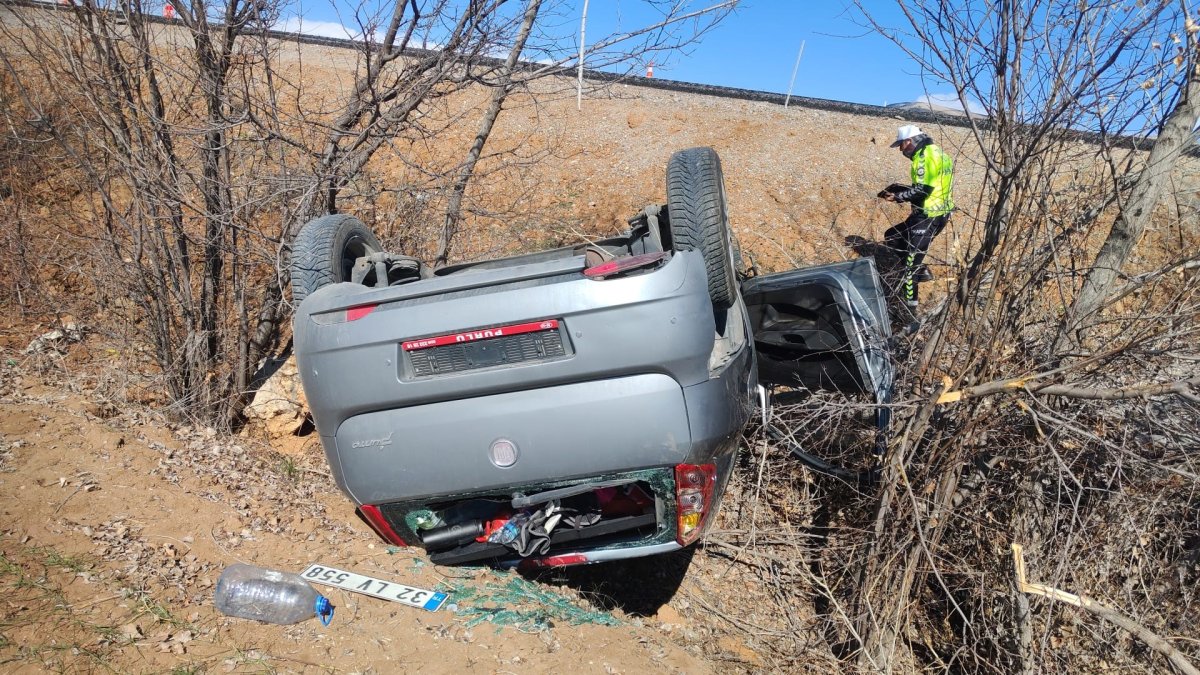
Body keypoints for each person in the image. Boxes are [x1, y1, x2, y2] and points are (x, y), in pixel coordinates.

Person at [878, 124, 954, 310]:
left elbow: (922, 190)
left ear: (908, 141)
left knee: (909, 269)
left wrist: (897, 197)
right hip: (940, 214)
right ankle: (921, 270)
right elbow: (933, 185)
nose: (901, 151)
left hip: (926, 217)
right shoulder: (939, 153)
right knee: (893, 236)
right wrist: (902, 189)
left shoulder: (922, 157)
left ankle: (908, 311)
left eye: (901, 146)